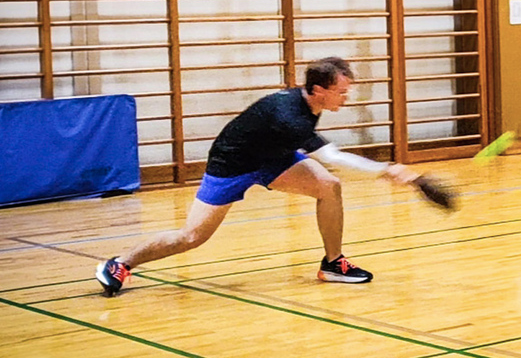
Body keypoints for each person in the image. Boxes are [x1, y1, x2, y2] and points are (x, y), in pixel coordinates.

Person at [97, 56, 417, 295]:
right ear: (319, 90)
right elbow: (330, 156)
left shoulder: (309, 106)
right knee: (192, 237)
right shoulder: (290, 118)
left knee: (329, 187)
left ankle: (333, 263)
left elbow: (322, 160)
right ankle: (121, 263)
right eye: (342, 92)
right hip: (233, 164)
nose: (346, 98)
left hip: (274, 158)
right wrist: (386, 171)